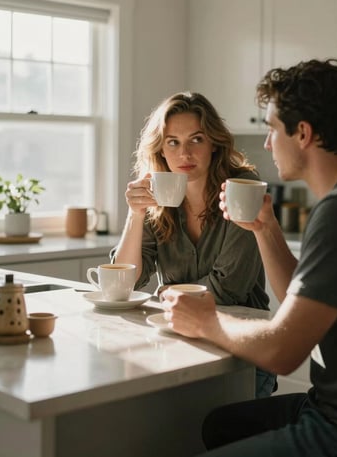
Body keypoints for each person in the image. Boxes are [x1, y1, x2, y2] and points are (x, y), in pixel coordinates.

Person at [162, 59, 337, 457]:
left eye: (272, 129)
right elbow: (301, 299)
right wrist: (265, 229)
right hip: (330, 404)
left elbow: (282, 352)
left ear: (303, 134)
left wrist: (208, 320)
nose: (266, 142)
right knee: (218, 425)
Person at [111, 91, 276, 398]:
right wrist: (135, 215)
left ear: (214, 143)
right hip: (177, 345)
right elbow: (123, 282)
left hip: (242, 352)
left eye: (196, 139)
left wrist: (166, 293)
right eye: (173, 141)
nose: (184, 153)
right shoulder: (159, 197)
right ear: (161, 149)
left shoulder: (241, 188)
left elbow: (228, 289)